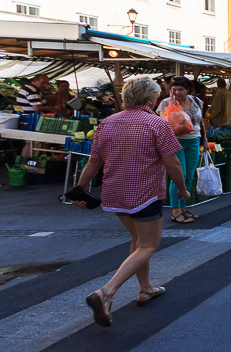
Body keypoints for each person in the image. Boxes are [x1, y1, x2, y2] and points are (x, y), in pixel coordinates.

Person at [74, 78, 189, 327]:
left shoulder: (108, 123)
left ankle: (146, 288)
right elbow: (173, 163)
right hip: (145, 193)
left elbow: (94, 162)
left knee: (137, 241)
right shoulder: (157, 124)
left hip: (115, 194)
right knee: (149, 244)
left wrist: (80, 190)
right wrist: (182, 188)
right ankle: (106, 292)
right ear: (150, 99)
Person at [157, 77, 206, 225]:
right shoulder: (166, 103)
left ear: (188, 90)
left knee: (190, 176)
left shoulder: (196, 101)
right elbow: (163, 125)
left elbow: (201, 122)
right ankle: (175, 211)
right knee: (179, 175)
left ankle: (183, 208)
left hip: (194, 140)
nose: (177, 92)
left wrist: (204, 140)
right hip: (175, 141)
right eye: (174, 89)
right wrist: (173, 106)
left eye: (180, 89)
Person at [16, 73, 48, 157]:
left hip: (29, 120)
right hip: (30, 121)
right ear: (35, 81)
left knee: (29, 143)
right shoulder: (32, 90)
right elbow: (37, 108)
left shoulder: (30, 88)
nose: (44, 85)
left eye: (46, 83)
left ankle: (24, 163)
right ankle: (28, 163)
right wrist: (51, 109)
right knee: (31, 143)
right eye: (42, 82)